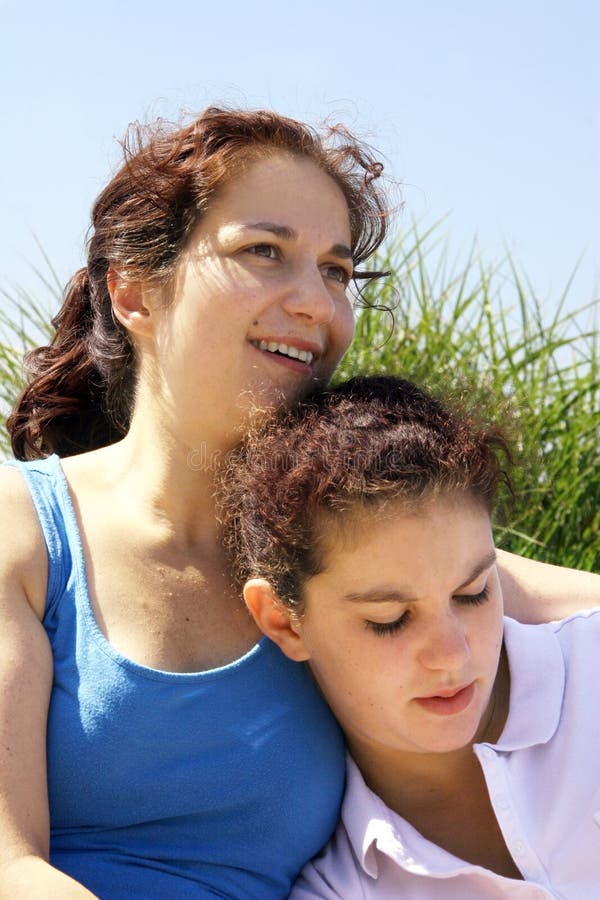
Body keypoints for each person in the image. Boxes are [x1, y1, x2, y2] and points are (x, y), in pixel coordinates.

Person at [0, 107, 597, 899]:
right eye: (264, 251)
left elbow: (507, 591)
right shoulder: (25, 528)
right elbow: (9, 866)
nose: (317, 301)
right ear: (136, 292)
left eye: (337, 270)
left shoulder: (350, 542)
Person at [220, 374, 600, 899]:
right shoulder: (340, 888)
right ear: (284, 620)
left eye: (473, 594)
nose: (452, 655)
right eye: (390, 618)